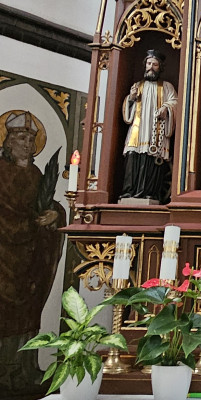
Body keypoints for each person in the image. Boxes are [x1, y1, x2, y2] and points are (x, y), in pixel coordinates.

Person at [0, 111, 65, 395]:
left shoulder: (37, 174)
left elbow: (45, 205)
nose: (27, 144)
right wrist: (28, 223)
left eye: (30, 139)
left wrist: (55, 215)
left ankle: (24, 369)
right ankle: (5, 371)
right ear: (8, 141)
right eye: (21, 138)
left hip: (29, 258)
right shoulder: (1, 171)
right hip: (4, 256)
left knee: (28, 311)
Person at [121, 49, 177, 201]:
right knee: (132, 156)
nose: (151, 67)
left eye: (155, 64)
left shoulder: (166, 87)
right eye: (149, 63)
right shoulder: (137, 85)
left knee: (152, 160)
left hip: (155, 129)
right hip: (138, 129)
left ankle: (149, 192)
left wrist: (166, 108)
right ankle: (129, 190)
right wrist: (131, 98)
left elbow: (175, 102)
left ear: (160, 67)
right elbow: (127, 111)